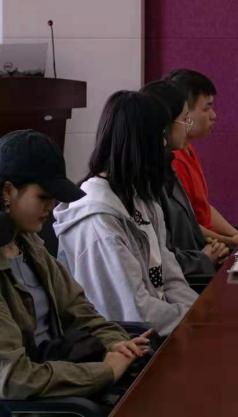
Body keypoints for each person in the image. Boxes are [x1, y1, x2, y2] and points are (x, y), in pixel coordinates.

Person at [0, 130, 151, 400]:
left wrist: (116, 343)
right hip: (37, 402)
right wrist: (105, 371)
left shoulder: (29, 244)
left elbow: (79, 310)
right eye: (43, 197)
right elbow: (14, 379)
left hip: (63, 379)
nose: (51, 206)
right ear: (8, 191)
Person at [53, 92, 198, 336]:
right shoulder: (97, 219)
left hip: (161, 331)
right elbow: (133, 312)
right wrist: (195, 322)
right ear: (141, 143)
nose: (165, 145)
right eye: (160, 136)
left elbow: (171, 279)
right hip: (126, 343)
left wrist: (202, 315)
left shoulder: (142, 200)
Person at [140, 80, 229, 281]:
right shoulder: (151, 181)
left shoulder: (168, 166)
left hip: (198, 265)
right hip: (191, 275)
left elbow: (192, 222)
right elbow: (159, 258)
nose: (187, 126)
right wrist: (205, 257)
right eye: (184, 119)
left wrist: (221, 245)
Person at [164, 69, 238, 247]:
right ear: (184, 111)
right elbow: (185, 225)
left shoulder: (187, 148)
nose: (213, 116)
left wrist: (237, 235)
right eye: (206, 108)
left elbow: (203, 209)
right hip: (198, 250)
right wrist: (230, 241)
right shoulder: (173, 159)